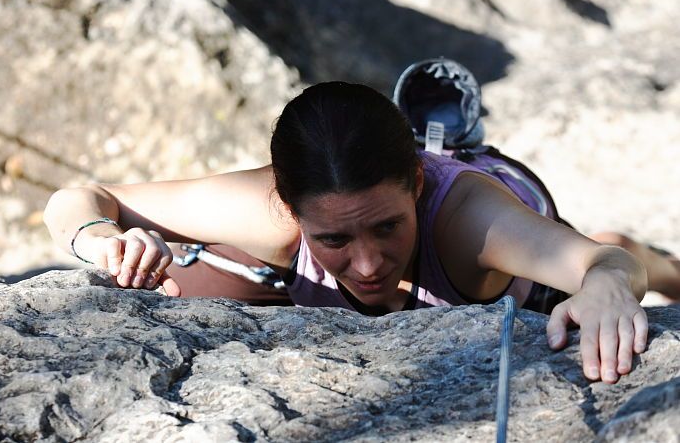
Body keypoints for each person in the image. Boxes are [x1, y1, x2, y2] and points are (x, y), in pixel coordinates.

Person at [46, 81, 660, 386]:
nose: (367, 264)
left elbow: (598, 263)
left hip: (506, 213)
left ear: (416, 185)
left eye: (387, 226)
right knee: (189, 284)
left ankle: (666, 262)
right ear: (289, 205)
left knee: (620, 252)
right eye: (335, 239)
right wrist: (102, 239)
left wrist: (609, 281)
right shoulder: (268, 213)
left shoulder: (470, 220)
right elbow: (80, 199)